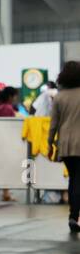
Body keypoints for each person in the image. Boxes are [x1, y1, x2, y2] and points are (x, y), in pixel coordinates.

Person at [47, 61, 80, 233]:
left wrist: (50, 144)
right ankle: (75, 216)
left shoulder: (59, 97)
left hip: (65, 145)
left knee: (73, 178)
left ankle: (73, 216)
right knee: (77, 180)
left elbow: (53, 124)